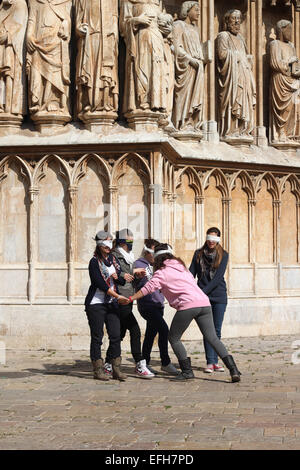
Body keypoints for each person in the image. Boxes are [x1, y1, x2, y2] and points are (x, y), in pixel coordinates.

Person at [119, 243, 241, 383]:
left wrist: (130, 299)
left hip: (188, 305)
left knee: (174, 338)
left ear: (157, 258)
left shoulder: (161, 272)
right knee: (212, 338)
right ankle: (233, 370)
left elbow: (148, 288)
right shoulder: (181, 267)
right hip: (204, 302)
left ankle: (187, 371)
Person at [105, 228, 154, 379]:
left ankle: (108, 363)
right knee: (135, 330)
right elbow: (110, 272)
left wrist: (137, 275)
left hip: (128, 296)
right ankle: (139, 363)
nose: (131, 244)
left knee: (118, 334)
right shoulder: (114, 256)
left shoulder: (129, 257)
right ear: (122, 242)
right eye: (129, 241)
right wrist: (123, 275)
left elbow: (131, 279)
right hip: (120, 298)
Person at [84, 230, 128, 381]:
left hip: (111, 303)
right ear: (99, 244)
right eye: (106, 243)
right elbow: (100, 283)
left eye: (111, 242)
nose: (109, 246)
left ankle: (116, 368)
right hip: (96, 303)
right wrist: (117, 296)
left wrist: (120, 277)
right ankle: (98, 370)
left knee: (116, 335)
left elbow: (121, 280)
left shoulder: (113, 260)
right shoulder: (94, 262)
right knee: (97, 336)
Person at [134, 239, 179, 375]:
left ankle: (144, 363)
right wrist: (138, 276)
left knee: (150, 334)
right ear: (147, 252)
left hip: (159, 304)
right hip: (147, 305)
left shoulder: (159, 265)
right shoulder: (138, 264)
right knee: (164, 330)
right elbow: (136, 282)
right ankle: (165, 362)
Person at [189, 227, 229, 374]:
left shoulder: (223, 255)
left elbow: (218, 278)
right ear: (206, 238)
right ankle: (210, 362)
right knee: (207, 330)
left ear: (218, 239)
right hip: (202, 296)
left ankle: (216, 361)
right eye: (209, 237)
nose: (211, 241)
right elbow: (191, 273)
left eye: (215, 238)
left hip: (218, 296)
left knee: (216, 330)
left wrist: (202, 292)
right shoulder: (198, 254)